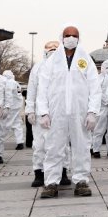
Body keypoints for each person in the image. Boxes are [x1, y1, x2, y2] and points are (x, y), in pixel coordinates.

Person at [37, 26, 101, 198]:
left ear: (79, 38)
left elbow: (95, 88)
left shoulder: (85, 59)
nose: (71, 38)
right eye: (68, 35)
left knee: (81, 147)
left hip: (80, 113)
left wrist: (93, 112)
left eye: (75, 35)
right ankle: (51, 183)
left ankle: (81, 181)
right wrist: (43, 112)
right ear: (62, 37)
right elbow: (42, 88)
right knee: (53, 148)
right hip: (56, 113)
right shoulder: (52, 61)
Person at [26, 41, 62, 187]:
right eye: (50, 50)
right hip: (41, 112)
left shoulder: (64, 67)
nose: (53, 52)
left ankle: (63, 171)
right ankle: (39, 173)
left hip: (59, 112)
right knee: (40, 144)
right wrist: (30, 110)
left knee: (61, 144)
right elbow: (32, 89)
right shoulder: (38, 68)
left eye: (55, 49)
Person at [92, 60, 108, 158]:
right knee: (99, 130)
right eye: (107, 68)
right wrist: (106, 101)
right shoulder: (98, 79)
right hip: (102, 108)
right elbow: (97, 92)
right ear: (102, 68)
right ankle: (96, 150)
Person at [2, 70, 24, 150]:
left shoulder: (10, 83)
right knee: (17, 124)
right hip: (17, 106)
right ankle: (20, 142)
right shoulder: (16, 83)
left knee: (6, 125)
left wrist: (6, 106)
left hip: (11, 107)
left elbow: (9, 94)